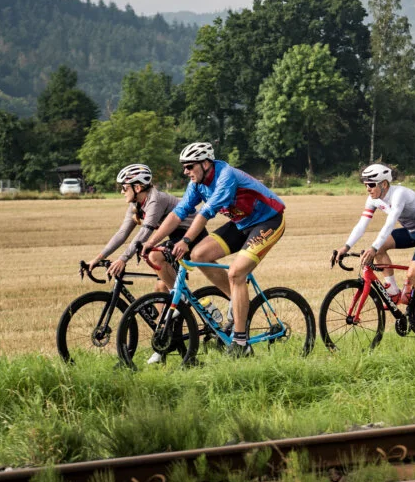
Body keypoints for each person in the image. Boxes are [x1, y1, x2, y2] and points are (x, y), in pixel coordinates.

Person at [141, 142, 286, 357]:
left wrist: (186, 240)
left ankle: (241, 343)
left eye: (189, 166)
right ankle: (235, 300)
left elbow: (206, 212)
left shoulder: (226, 176)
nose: (186, 171)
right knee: (199, 255)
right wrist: (151, 242)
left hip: (268, 221)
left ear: (205, 163)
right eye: (184, 167)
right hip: (241, 224)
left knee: (236, 272)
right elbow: (178, 214)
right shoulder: (198, 183)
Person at [334, 163, 415, 345]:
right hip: (411, 230)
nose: (367, 188)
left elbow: (389, 224)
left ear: (384, 184)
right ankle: (393, 291)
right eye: (365, 184)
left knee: (413, 274)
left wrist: (373, 248)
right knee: (378, 248)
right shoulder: (373, 199)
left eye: (371, 184)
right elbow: (362, 224)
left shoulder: (398, 194)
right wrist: (345, 247)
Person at [86, 163, 202, 293]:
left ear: (137, 187)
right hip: (174, 234)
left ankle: (183, 300)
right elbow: (122, 233)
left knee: (155, 259)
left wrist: (123, 259)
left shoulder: (155, 200)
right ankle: (176, 308)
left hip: (190, 233)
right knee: (160, 288)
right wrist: (98, 258)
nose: (121, 192)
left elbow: (145, 232)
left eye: (124, 188)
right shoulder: (136, 204)